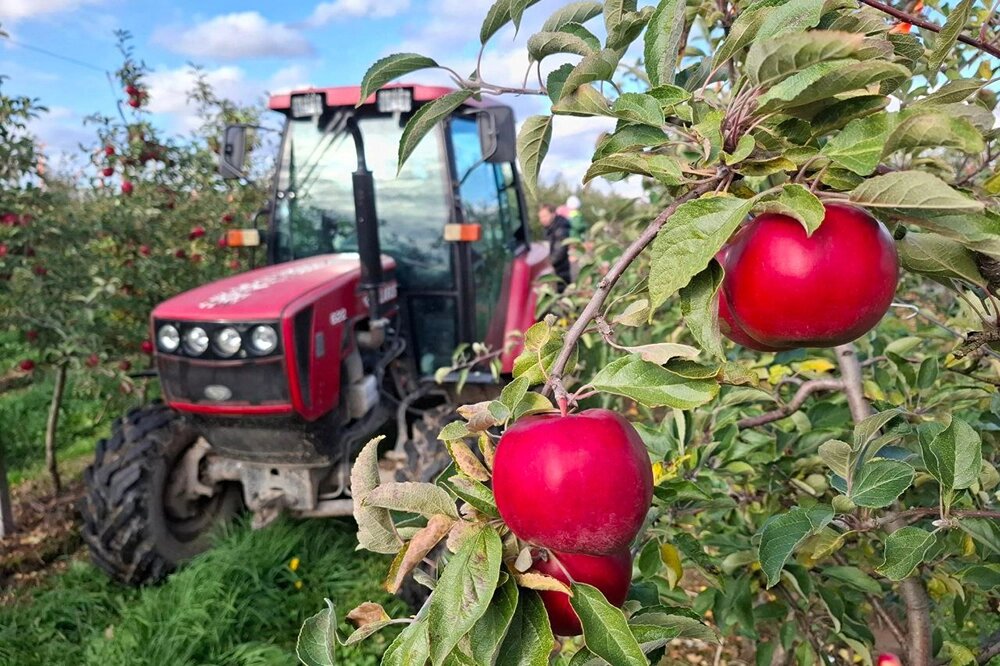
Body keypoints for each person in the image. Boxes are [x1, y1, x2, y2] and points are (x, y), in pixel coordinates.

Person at [538, 203, 572, 291]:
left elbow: (559, 251)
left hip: (560, 271)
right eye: (540, 217)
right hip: (554, 270)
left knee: (562, 294)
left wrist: (546, 264)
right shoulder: (549, 228)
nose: (542, 219)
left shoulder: (560, 228)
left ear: (553, 214)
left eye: (545, 216)